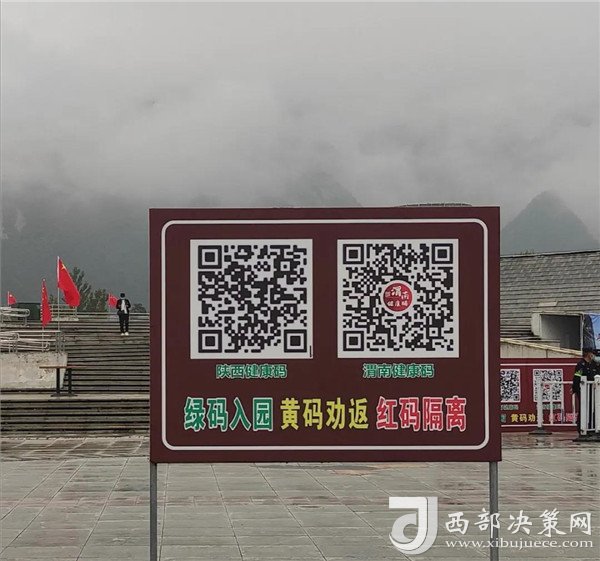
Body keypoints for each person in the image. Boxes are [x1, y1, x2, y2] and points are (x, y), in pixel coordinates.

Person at [572, 347, 600, 435]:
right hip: (582, 391)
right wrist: (574, 389)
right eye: (592, 353)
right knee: (584, 409)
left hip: (593, 391)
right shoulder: (581, 364)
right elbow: (577, 377)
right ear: (588, 354)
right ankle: (581, 428)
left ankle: (592, 427)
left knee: (594, 409)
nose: (593, 355)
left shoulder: (594, 364)